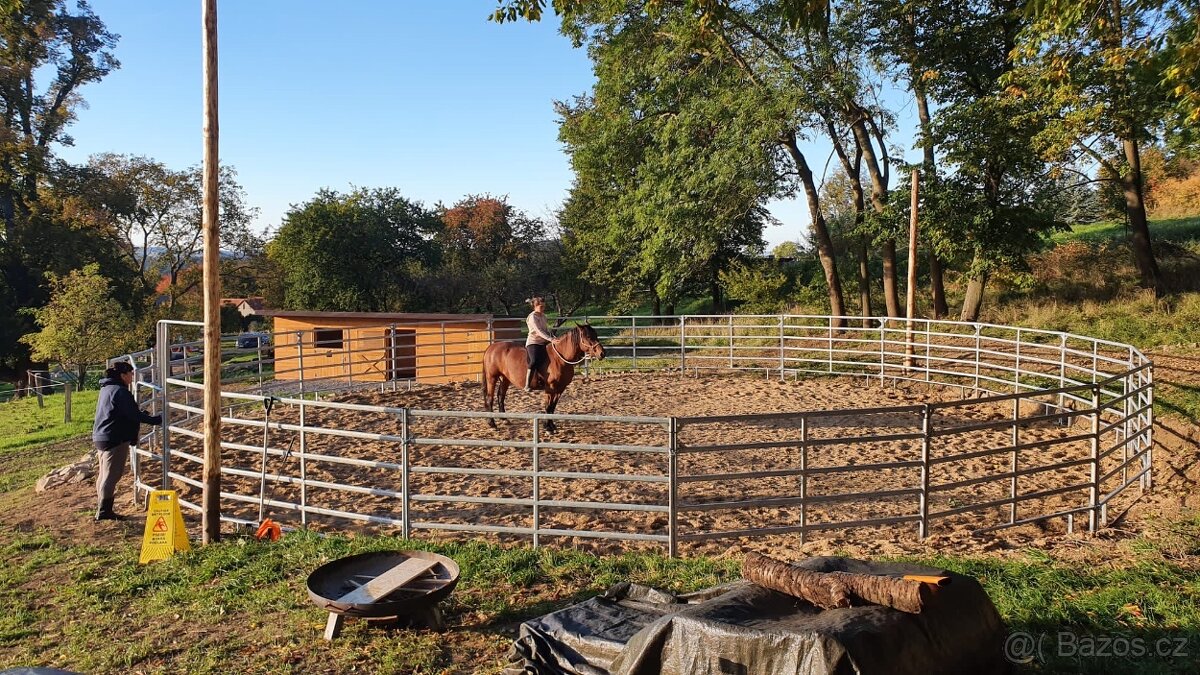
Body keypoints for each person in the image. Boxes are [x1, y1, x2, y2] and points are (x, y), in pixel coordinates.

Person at [92, 361, 162, 520]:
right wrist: (156, 420)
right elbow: (133, 414)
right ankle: (104, 511)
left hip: (102, 435)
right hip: (115, 437)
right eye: (130, 373)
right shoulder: (120, 392)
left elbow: (125, 412)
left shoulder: (107, 389)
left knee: (103, 474)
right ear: (123, 375)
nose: (132, 376)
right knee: (112, 475)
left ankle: (103, 508)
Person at [525, 296, 558, 390]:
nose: (543, 309)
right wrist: (550, 339)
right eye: (541, 307)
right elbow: (538, 331)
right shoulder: (532, 317)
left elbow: (545, 329)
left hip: (543, 341)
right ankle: (527, 384)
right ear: (535, 307)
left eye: (544, 306)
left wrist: (552, 336)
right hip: (533, 342)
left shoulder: (543, 316)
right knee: (534, 361)